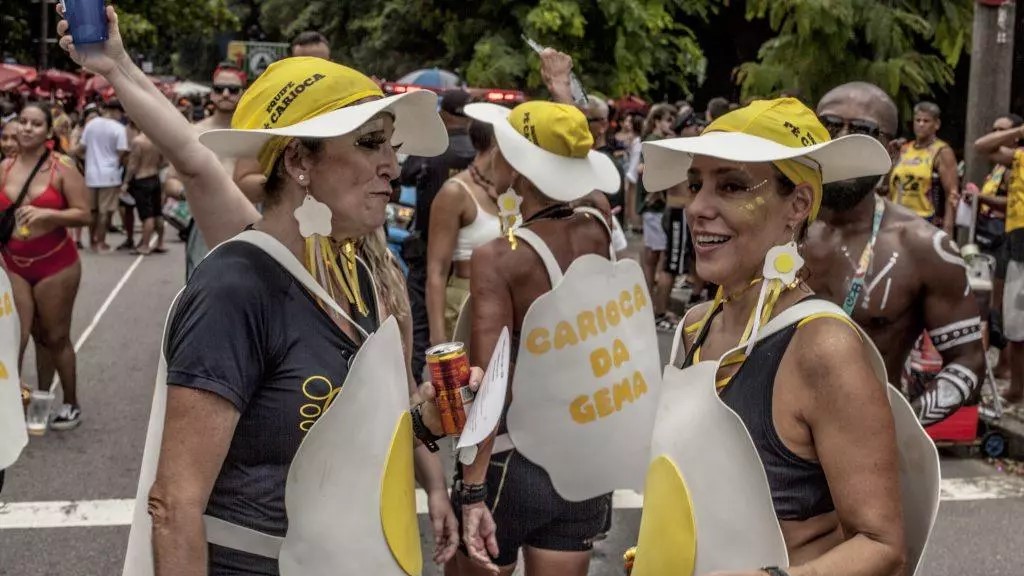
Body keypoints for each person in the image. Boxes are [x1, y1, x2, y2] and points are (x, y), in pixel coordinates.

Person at [60, 5, 479, 574]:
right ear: (300, 160)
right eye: (369, 143)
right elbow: (173, 504)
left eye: (391, 146)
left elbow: (363, 428)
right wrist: (117, 66)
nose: (392, 166)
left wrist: (429, 425)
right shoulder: (239, 284)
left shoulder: (359, 272)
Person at [647, 98, 906, 575]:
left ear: (798, 205)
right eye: (695, 184)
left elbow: (882, 548)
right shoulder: (693, 326)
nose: (699, 207)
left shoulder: (822, 347)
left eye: (731, 186)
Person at [451, 99, 655, 576]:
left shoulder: (499, 257)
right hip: (585, 455)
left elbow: (490, 378)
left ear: (519, 164)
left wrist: (473, 488)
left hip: (514, 458)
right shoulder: (599, 224)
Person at [803, 82, 986, 426]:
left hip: (862, 450)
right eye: (830, 126)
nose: (843, 141)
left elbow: (968, 361)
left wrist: (902, 427)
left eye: (862, 132)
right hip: (761, 448)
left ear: (892, 150)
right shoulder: (771, 227)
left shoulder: (921, 247)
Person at [1, 102, 91, 430]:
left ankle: (68, 402)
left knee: (53, 337)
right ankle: (11, 403)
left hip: (56, 265)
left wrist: (49, 215)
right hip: (14, 264)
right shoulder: (5, 167)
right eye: (23, 121)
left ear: (48, 130)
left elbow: (84, 213)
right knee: (16, 336)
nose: (27, 128)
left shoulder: (62, 168)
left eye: (35, 123)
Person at [401, 89, 475, 379]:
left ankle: (421, 391)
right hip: (467, 260)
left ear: (444, 114)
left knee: (420, 329)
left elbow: (405, 175)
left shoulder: (431, 147)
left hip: (427, 252)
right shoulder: (482, 152)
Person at [164, 63, 247, 279]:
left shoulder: (254, 132)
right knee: (202, 285)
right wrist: (191, 193)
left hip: (250, 223)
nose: (226, 94)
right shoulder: (193, 133)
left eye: (233, 89)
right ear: (212, 93)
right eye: (219, 89)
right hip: (204, 222)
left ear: (243, 93)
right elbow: (171, 182)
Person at [426, 119, 500, 347]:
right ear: (497, 143)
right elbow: (437, 270)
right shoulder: (455, 192)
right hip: (466, 302)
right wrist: (438, 340)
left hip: (505, 302)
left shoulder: (513, 187)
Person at [966, 113, 1023, 379]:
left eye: (1003, 131)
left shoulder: (1017, 160)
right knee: (1000, 305)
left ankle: (1009, 372)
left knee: (1007, 306)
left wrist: (983, 198)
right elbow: (981, 146)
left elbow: (1008, 199)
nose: (996, 134)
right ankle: (1005, 373)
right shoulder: (1009, 161)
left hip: (1007, 237)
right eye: (994, 129)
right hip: (1003, 235)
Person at [889, 101, 960, 234]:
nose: (921, 124)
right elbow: (889, 186)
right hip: (897, 220)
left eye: (926, 121)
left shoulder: (942, 151)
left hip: (926, 222)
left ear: (936, 124)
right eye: (918, 120)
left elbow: (952, 193)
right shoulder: (904, 149)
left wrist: (948, 229)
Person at [638, 103, 678, 331]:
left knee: (652, 255)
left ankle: (648, 302)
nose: (670, 124)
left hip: (653, 208)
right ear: (657, 121)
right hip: (655, 207)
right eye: (668, 120)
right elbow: (645, 169)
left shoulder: (651, 140)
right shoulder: (656, 142)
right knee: (656, 256)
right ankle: (652, 305)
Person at [75, 98, 128, 252]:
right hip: (110, 174)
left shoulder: (91, 125)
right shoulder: (119, 128)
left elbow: (82, 147)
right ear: (117, 111)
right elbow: (122, 152)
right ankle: (101, 242)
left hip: (91, 173)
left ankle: (92, 240)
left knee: (93, 210)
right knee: (104, 211)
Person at [122, 122, 167, 254]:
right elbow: (164, 161)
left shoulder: (138, 141)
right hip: (154, 176)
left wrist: (126, 182)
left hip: (142, 179)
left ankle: (145, 245)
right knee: (157, 212)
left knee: (146, 215)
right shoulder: (157, 141)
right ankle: (160, 242)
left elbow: (133, 165)